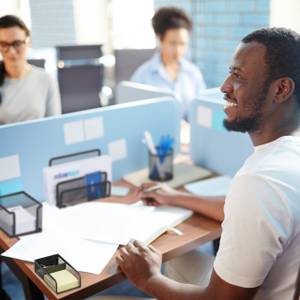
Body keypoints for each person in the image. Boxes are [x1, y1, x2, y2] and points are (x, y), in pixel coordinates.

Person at [116, 27, 300, 300]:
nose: (224, 86)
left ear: (281, 89)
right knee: (179, 258)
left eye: (238, 75)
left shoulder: (259, 181)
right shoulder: (286, 158)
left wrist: (149, 279)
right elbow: (254, 210)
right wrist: (175, 196)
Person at [131, 7, 206, 120]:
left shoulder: (193, 73)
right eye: (172, 43)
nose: (178, 50)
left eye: (182, 44)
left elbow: (202, 109)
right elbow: (134, 116)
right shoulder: (142, 76)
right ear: (160, 40)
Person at [0, 15, 61, 125]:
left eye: (17, 44)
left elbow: (54, 127)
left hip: (40, 141)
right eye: (4, 45)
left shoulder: (46, 80)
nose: (11, 52)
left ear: (28, 42)